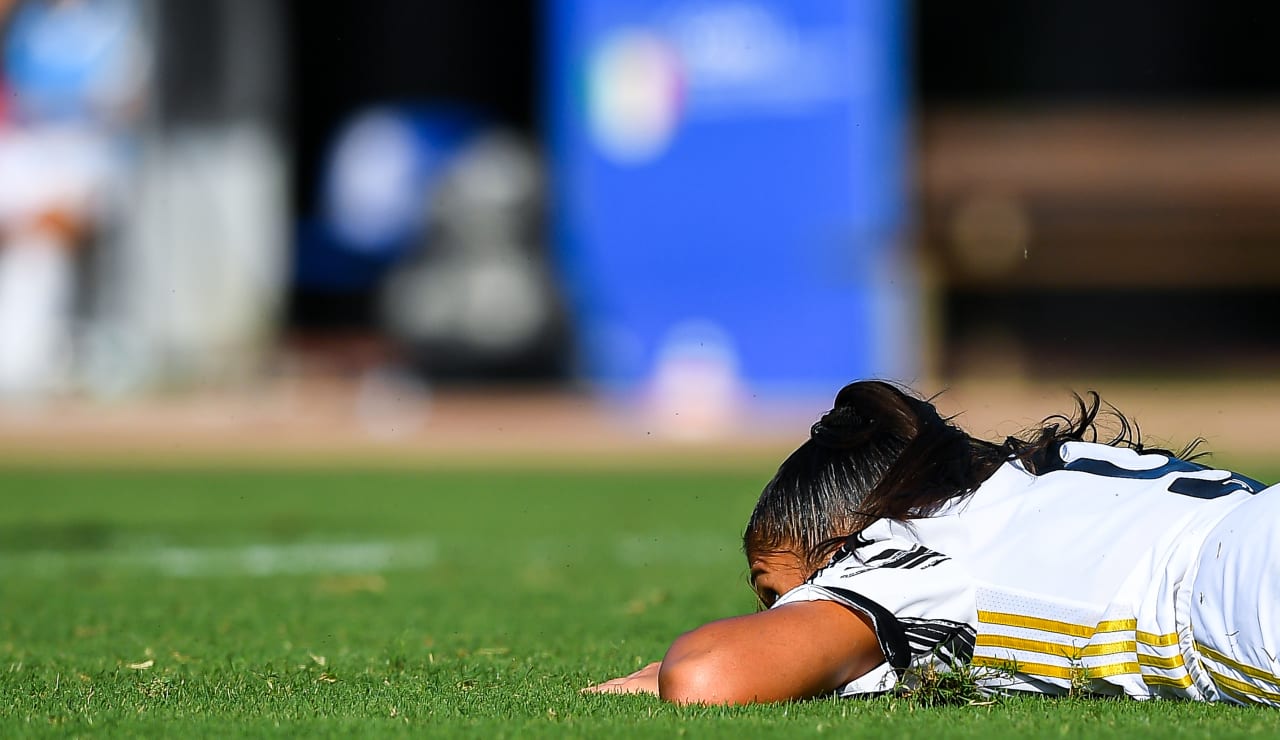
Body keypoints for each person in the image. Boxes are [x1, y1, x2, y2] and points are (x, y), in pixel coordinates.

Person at [584, 380, 1280, 706]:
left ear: (838, 540)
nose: (782, 621)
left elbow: (708, 677)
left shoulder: (908, 542)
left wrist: (702, 665)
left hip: (1234, 602)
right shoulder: (1037, 480)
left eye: (779, 594)